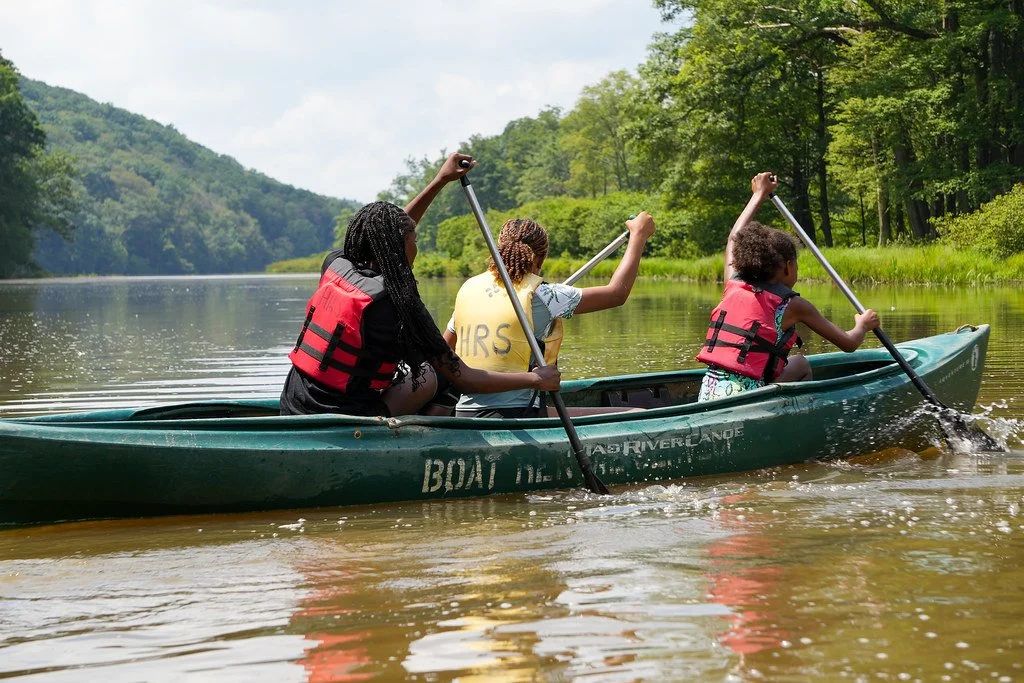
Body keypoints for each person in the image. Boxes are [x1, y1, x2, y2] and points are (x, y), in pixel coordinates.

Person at [280, 152, 560, 417]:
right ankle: (435, 435)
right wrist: (535, 378)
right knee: (442, 372)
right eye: (414, 239)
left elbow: (388, 231)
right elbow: (465, 379)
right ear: (400, 245)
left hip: (293, 403)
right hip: (349, 419)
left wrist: (440, 181)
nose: (417, 247)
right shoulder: (401, 305)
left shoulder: (336, 264)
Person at [443, 211, 656, 418]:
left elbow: (445, 350)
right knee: (637, 414)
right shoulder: (543, 294)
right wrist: (638, 235)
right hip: (518, 414)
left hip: (466, 413)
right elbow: (616, 294)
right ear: (541, 258)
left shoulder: (469, 290)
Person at [696, 172, 880, 402]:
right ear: (787, 267)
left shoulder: (733, 283)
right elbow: (849, 343)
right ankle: (799, 418)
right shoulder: (793, 305)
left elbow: (734, 239)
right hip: (748, 400)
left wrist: (758, 195)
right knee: (800, 363)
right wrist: (862, 325)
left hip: (707, 394)